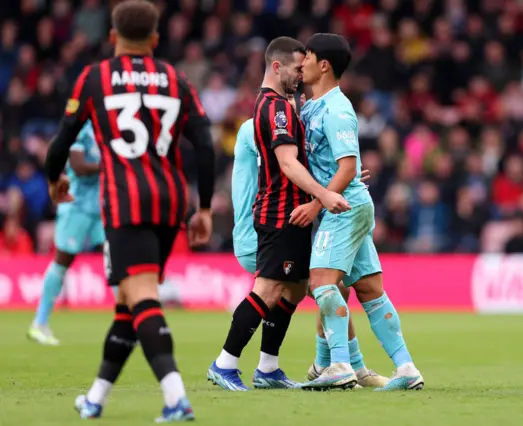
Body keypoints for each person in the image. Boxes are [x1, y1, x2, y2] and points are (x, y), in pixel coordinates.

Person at [44, 0, 215, 421]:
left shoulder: (95, 77)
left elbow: (63, 138)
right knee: (128, 303)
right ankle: (95, 399)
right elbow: (206, 144)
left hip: (125, 200)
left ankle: (176, 398)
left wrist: (55, 178)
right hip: (170, 201)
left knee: (141, 297)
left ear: (112, 38)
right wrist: (205, 208)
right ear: (156, 40)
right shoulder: (176, 78)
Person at [207, 36, 350, 391]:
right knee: (268, 289)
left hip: (294, 213)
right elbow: (287, 163)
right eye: (297, 68)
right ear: (276, 66)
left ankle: (268, 368)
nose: (301, 75)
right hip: (280, 213)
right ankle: (224, 363)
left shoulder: (280, 105)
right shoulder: (276, 108)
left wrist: (336, 178)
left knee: (294, 289)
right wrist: (324, 194)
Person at [292, 33, 424, 391]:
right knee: (368, 289)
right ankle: (406, 367)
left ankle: (338, 364)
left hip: (344, 207)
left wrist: (317, 201)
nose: (300, 61)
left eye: (307, 56)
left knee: (320, 282)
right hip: (351, 202)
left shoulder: (337, 108)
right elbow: (339, 164)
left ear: (324, 65)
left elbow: (347, 168)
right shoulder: (312, 106)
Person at [230, 114, 388, 389]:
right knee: (327, 286)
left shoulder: (284, 126)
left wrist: (338, 177)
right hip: (261, 232)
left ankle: (303, 366)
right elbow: (286, 171)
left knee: (331, 287)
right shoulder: (253, 127)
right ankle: (347, 366)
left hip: (279, 228)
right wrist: (334, 180)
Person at [28, 121, 103, 345]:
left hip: (102, 206)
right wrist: (110, 165)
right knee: (63, 260)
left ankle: (131, 324)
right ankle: (39, 324)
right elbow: (78, 166)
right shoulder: (82, 128)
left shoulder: (110, 125)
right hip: (76, 205)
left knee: (116, 260)